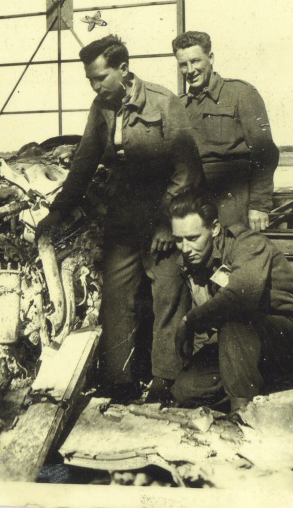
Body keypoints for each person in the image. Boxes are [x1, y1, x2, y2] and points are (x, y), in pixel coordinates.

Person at [37, 35, 205, 401]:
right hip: (123, 215)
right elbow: (84, 162)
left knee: (168, 296)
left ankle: (166, 380)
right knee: (116, 298)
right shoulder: (101, 108)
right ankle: (119, 379)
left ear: (123, 69)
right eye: (90, 80)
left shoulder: (163, 102)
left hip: (163, 213)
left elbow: (187, 168)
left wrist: (167, 222)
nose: (95, 86)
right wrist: (58, 211)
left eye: (101, 78)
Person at [168, 190, 293, 412]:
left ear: (214, 228)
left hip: (286, 336)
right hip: (238, 343)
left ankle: (243, 412)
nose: (186, 248)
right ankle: (271, 384)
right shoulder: (194, 260)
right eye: (178, 240)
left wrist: (190, 321)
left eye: (193, 238)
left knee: (234, 320)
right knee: (186, 390)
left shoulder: (249, 244)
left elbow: (240, 297)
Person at [172, 31, 279, 230]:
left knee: (233, 244)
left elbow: (265, 153)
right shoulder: (180, 105)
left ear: (211, 58)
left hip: (233, 195)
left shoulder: (241, 94)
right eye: (183, 64)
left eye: (195, 61)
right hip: (194, 196)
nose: (190, 70)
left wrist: (259, 205)